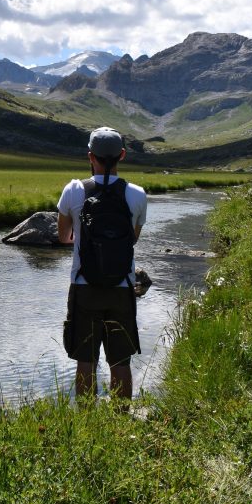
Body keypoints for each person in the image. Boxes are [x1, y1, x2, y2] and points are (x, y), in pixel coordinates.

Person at [57, 127, 147, 401]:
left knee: (85, 359)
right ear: (122, 155)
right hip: (122, 287)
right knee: (120, 361)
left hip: (84, 286)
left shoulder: (73, 190)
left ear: (90, 156)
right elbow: (132, 239)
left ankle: (87, 421)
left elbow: (63, 237)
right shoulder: (137, 194)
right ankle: (121, 420)